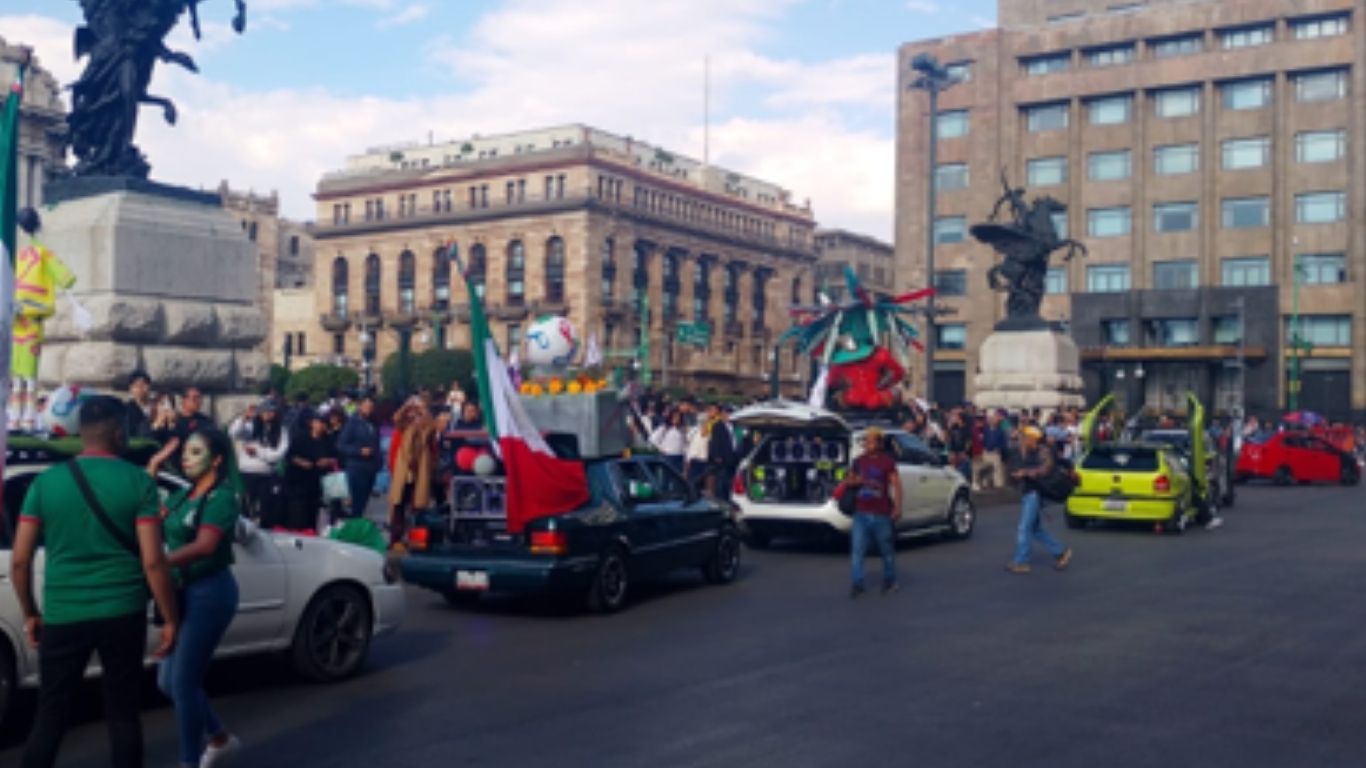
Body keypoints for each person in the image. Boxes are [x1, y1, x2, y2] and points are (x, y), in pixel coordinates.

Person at [11, 396, 180, 768]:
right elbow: (153, 562)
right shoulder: (139, 483)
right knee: (122, 714)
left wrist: (31, 613)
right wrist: (169, 618)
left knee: (50, 716)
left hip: (63, 614)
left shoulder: (46, 483)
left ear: (81, 433)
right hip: (123, 611)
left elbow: (21, 560)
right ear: (118, 434)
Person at [148, 427, 243, 768]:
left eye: (195, 452)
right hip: (181, 591)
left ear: (216, 459)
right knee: (166, 681)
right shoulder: (183, 496)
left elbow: (205, 546)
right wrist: (155, 465)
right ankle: (219, 738)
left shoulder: (223, 498)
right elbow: (149, 507)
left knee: (184, 683)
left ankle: (189, 762)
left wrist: (159, 562)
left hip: (210, 593)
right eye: (184, 452)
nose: (186, 458)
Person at [841, 427, 903, 598]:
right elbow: (848, 481)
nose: (867, 443)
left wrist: (897, 507)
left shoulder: (887, 462)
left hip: (882, 513)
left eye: (870, 440)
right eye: (865, 441)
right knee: (857, 550)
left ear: (879, 443)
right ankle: (857, 583)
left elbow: (896, 485)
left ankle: (890, 581)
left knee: (886, 550)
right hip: (861, 512)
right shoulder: (859, 461)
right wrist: (856, 481)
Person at [1006, 426, 1073, 574]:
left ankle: (1021, 561)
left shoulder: (1043, 452)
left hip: (1034, 493)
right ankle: (1060, 552)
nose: (1022, 440)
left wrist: (1026, 473)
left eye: (1025, 437)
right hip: (1028, 492)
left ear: (1032, 438)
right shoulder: (1024, 451)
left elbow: (1045, 469)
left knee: (1024, 528)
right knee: (1035, 529)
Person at [230, 400, 289, 525]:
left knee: (266, 509)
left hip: (267, 474)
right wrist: (244, 417)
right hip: (247, 472)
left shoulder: (281, 431)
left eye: (271, 411)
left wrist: (258, 452)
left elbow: (278, 454)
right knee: (246, 508)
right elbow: (234, 433)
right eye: (265, 411)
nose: (268, 414)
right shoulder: (251, 427)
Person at [388, 399, 437, 548]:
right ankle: (396, 538)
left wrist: (423, 409)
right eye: (412, 413)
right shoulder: (402, 428)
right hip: (403, 473)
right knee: (398, 506)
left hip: (419, 473)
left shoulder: (426, 431)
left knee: (417, 507)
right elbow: (397, 417)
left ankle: (416, 538)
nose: (414, 416)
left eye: (417, 414)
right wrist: (407, 406)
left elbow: (432, 425)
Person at [284, 412, 339, 531]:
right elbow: (290, 456)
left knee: (314, 513)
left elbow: (336, 457)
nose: (322, 426)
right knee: (298, 513)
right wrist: (301, 462)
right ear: (312, 424)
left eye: (324, 423)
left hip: (318, 482)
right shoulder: (300, 438)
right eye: (319, 423)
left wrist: (328, 461)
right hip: (299, 481)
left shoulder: (328, 440)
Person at [337, 395, 382, 520]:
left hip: (370, 468)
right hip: (357, 467)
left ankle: (357, 525)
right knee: (357, 502)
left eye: (371, 407)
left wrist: (378, 462)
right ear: (360, 406)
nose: (369, 409)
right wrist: (359, 451)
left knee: (363, 502)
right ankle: (353, 527)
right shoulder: (352, 423)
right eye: (366, 406)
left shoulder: (373, 423)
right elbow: (341, 445)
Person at [154, 386, 211, 473]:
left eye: (199, 398)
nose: (197, 402)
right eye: (194, 398)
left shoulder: (205, 422)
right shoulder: (174, 420)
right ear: (184, 400)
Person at [705, 403, 737, 501]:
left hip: (732, 458)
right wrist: (717, 456)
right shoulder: (718, 426)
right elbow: (715, 442)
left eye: (729, 413)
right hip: (722, 458)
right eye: (725, 413)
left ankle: (727, 497)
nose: (727, 415)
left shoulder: (733, 426)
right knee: (721, 480)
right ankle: (720, 498)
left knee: (729, 480)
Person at [977, 409, 1009, 491]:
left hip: (995, 453)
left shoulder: (1001, 431)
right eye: (991, 419)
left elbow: (1004, 443)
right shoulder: (985, 430)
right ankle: (984, 483)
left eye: (994, 419)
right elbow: (982, 440)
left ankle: (998, 485)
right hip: (986, 452)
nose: (993, 420)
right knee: (986, 468)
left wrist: (999, 449)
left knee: (997, 469)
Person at [124, 369, 155, 440]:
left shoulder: (157, 405)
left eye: (143, 384)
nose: (140, 388)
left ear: (149, 386)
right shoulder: (126, 409)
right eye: (136, 385)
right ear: (130, 388)